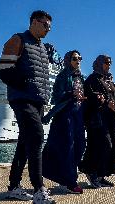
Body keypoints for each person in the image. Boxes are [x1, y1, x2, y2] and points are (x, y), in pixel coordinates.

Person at [0, 10, 55, 203]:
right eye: (45, 24)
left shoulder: (42, 47)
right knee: (38, 136)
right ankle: (39, 189)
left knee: (24, 143)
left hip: (38, 100)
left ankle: (14, 186)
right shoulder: (18, 39)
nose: (48, 29)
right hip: (22, 99)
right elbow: (4, 71)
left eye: (50, 26)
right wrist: (23, 81)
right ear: (33, 22)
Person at [79, 54, 115, 188]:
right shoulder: (92, 79)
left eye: (110, 63)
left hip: (110, 120)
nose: (109, 65)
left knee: (110, 146)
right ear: (99, 63)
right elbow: (88, 97)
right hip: (96, 120)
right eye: (106, 63)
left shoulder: (108, 81)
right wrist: (106, 103)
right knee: (101, 145)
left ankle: (101, 175)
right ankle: (91, 172)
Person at [42, 50, 86, 194]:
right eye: (74, 58)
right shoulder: (62, 75)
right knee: (69, 148)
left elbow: (82, 95)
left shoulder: (80, 77)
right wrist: (70, 94)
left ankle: (67, 177)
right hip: (65, 115)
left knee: (80, 146)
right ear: (68, 60)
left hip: (78, 115)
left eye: (79, 58)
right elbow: (55, 97)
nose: (78, 60)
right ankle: (71, 182)